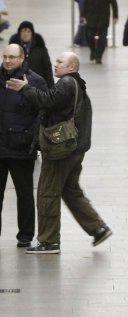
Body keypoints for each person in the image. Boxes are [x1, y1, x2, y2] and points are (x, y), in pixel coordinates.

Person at [6, 52, 112, 254]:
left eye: (60, 62)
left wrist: (25, 88)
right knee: (70, 190)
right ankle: (98, 228)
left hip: (61, 150)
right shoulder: (77, 84)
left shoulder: (66, 83)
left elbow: (47, 101)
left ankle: (49, 241)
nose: (56, 65)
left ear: (71, 67)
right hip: (75, 149)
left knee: (47, 192)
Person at [0, 44, 47, 248]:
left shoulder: (34, 81)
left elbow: (44, 110)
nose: (7, 60)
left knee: (24, 192)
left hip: (21, 147)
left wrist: (31, 138)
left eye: (12, 57)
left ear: (22, 58)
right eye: (5, 56)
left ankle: (26, 234)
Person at [9, 21, 54, 88]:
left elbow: (47, 68)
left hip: (37, 84)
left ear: (32, 33)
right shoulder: (13, 47)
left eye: (28, 31)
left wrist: (51, 86)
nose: (25, 34)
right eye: (23, 31)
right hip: (18, 84)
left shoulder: (40, 46)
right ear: (19, 33)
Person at [81, 0, 118, 64]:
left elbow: (114, 3)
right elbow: (85, 2)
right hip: (90, 17)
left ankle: (98, 57)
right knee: (89, 36)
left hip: (103, 18)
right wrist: (83, 15)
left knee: (102, 39)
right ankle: (93, 51)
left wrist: (115, 16)